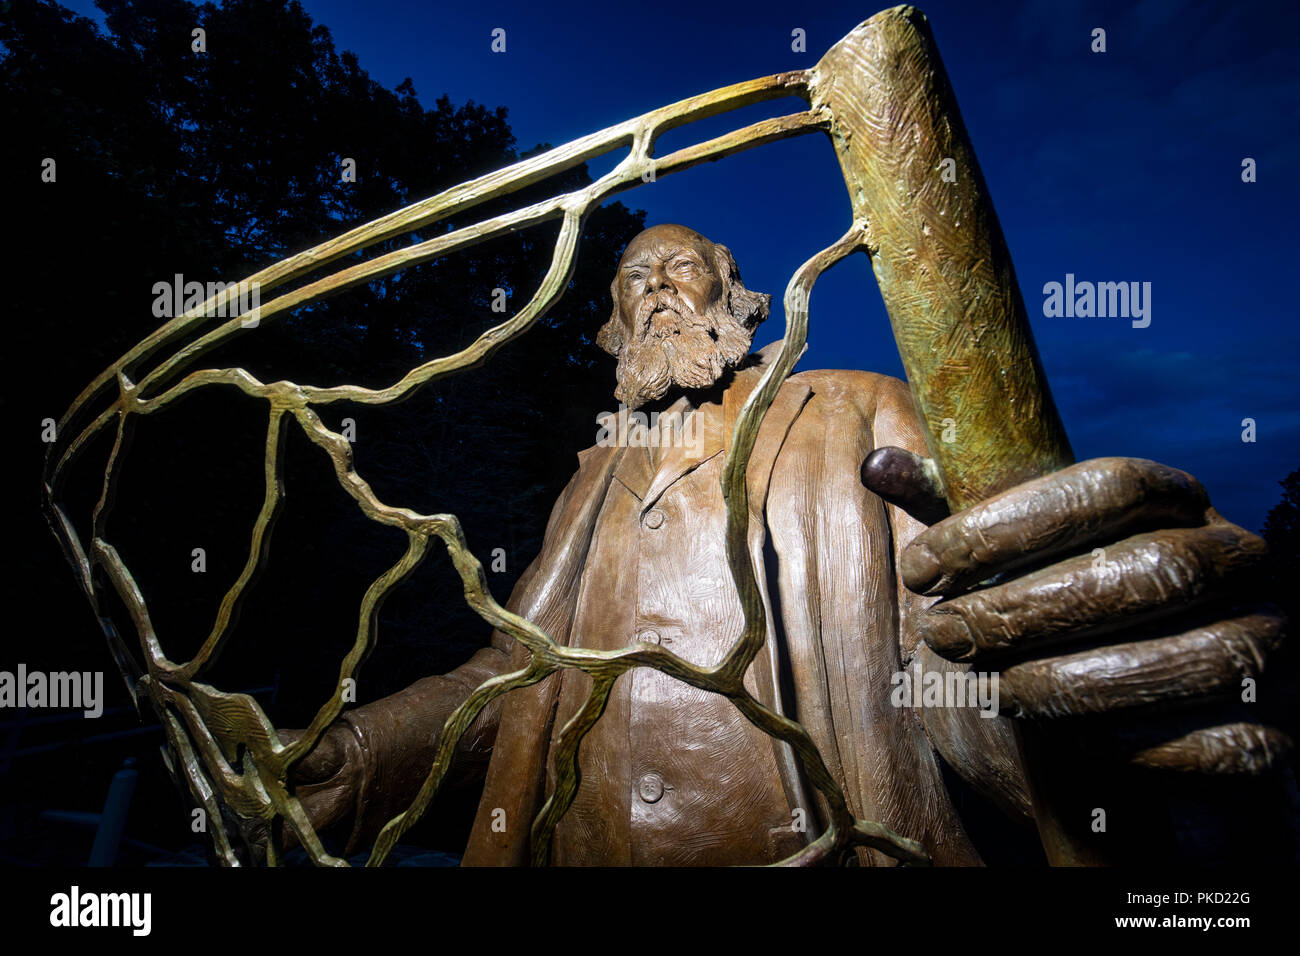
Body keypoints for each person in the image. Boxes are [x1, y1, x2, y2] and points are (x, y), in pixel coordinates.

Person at [286, 224, 1287, 866]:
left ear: (738, 294)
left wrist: (1068, 701)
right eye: (633, 280)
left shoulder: (856, 410)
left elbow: (947, 642)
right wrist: (359, 752)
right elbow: (512, 670)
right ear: (610, 325)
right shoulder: (593, 473)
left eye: (681, 268)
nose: (656, 291)